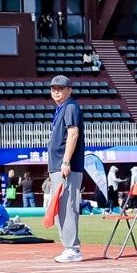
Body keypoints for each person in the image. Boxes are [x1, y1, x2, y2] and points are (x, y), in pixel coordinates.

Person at [46, 76, 86, 262]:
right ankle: (69, 247)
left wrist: (66, 161)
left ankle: (73, 248)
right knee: (61, 206)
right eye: (53, 88)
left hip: (66, 166)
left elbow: (73, 133)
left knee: (67, 206)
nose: (56, 91)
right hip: (58, 165)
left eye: (60, 88)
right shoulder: (61, 108)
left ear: (69, 90)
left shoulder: (70, 107)